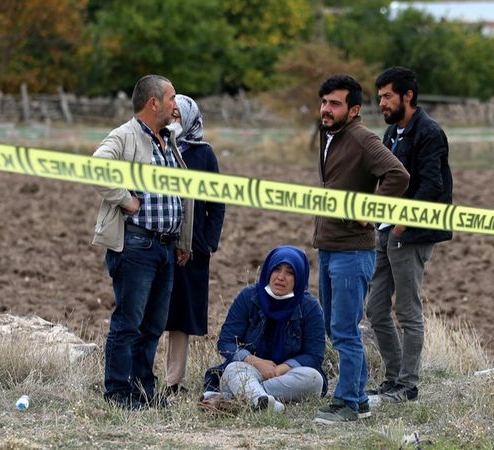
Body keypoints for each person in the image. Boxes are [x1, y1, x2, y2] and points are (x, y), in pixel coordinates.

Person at [91, 74, 194, 410]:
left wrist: (181, 238)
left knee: (151, 326)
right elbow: (97, 167)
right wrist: (125, 199)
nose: (175, 105)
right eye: (172, 98)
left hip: (165, 247)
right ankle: (118, 393)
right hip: (136, 246)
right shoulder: (124, 136)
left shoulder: (168, 140)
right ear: (154, 103)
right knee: (129, 324)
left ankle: (142, 389)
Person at [312, 75, 409, 424]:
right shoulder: (330, 135)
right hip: (329, 246)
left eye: (334, 103)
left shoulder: (362, 138)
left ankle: (351, 402)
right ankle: (359, 397)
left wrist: (370, 211)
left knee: (344, 329)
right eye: (324, 101)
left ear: (353, 109)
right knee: (334, 326)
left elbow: (398, 175)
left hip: (353, 252)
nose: (326, 109)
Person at [366, 66, 453, 403]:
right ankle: (393, 378)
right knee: (375, 309)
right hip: (387, 231)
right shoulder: (392, 134)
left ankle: (407, 384)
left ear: (408, 96)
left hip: (412, 233)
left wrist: (403, 223)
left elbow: (433, 184)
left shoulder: (429, 132)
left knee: (407, 311)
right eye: (379, 98)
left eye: (387, 96)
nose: (382, 103)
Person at [200, 246, 327, 413]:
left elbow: (314, 355)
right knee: (233, 369)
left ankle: (235, 398)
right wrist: (256, 362)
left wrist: (282, 368)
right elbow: (226, 342)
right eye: (276, 269)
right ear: (268, 270)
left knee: (314, 379)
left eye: (290, 272)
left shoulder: (309, 306)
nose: (281, 277)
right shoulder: (248, 296)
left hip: (286, 375)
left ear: (299, 278)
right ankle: (264, 403)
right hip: (248, 370)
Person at [163, 95, 225, 396]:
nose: (173, 119)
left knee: (181, 314)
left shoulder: (203, 154)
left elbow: (216, 202)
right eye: (169, 113)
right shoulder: (157, 148)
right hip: (159, 242)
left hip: (194, 248)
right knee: (152, 311)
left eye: (178, 115)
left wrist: (208, 243)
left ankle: (173, 381)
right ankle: (141, 377)